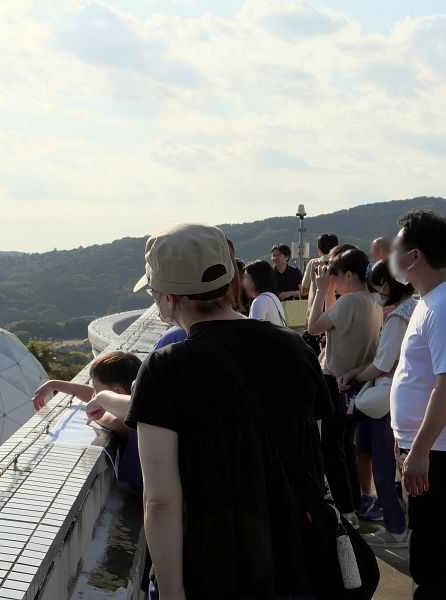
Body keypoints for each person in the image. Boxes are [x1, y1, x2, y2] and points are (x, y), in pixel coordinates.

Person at [127, 222, 329, 599]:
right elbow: (311, 457)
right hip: (298, 564)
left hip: (213, 573)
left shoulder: (165, 369)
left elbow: (160, 501)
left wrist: (172, 593)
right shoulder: (295, 349)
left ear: (168, 297)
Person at [388, 210, 446, 599]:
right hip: (429, 448)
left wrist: (420, 449)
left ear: (415, 256)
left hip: (442, 451)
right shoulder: (429, 301)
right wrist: (406, 438)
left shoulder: (445, 307)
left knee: (431, 556)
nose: (391, 255)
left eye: (397, 247)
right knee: (427, 551)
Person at [337, 259, 416, 545]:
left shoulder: (398, 317)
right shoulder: (416, 308)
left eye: (379, 288)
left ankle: (396, 528)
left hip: (385, 400)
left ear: (387, 284)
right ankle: (399, 523)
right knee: (386, 462)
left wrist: (354, 374)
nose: (379, 295)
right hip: (403, 396)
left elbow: (382, 364)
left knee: (383, 466)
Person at [307, 247, 382, 525]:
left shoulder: (350, 303)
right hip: (356, 385)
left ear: (349, 275)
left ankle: (345, 511)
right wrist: (326, 290)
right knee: (344, 446)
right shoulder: (371, 301)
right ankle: (353, 503)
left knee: (330, 451)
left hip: (335, 380)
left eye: (336, 277)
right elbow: (333, 318)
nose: (333, 282)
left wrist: (317, 289)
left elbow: (313, 327)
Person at [32, 351, 144, 486]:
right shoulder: (143, 405)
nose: (94, 394)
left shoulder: (121, 423)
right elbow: (94, 397)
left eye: (97, 388)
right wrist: (54, 384)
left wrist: (96, 405)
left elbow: (97, 409)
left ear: (119, 392)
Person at [242, 260, 286, 327]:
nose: (243, 283)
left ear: (256, 280)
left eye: (246, 277)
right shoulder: (272, 297)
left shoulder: (259, 301)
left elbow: (255, 332)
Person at [300, 232, 338, 300]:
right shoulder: (341, 262)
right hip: (337, 305)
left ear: (319, 249)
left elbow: (303, 291)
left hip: (317, 303)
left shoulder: (314, 263)